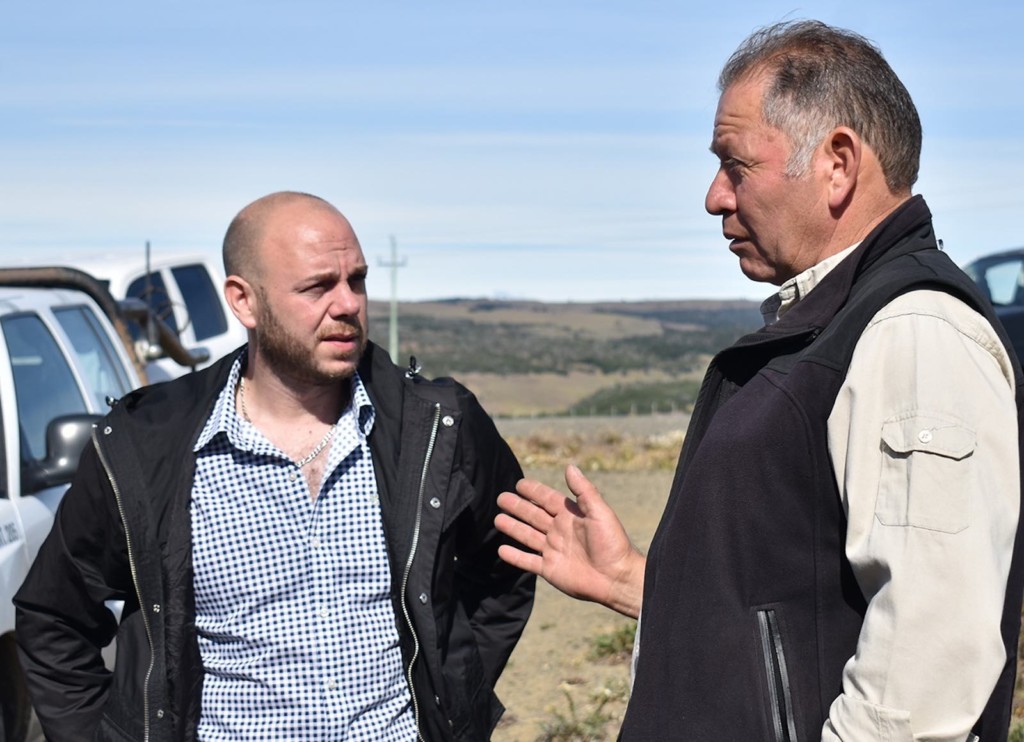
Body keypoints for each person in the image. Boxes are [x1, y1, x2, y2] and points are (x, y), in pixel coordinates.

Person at [495, 20, 1024, 742]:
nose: (714, 197)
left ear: (838, 162)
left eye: (736, 165)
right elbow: (798, 616)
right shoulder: (837, 329)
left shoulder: (914, 337)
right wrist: (635, 581)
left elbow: (924, 685)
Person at [14, 191, 535, 741]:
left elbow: (506, 566)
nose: (348, 305)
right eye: (317, 287)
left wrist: (450, 691)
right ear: (244, 302)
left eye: (355, 280)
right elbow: (55, 619)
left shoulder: (436, 425)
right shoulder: (146, 448)